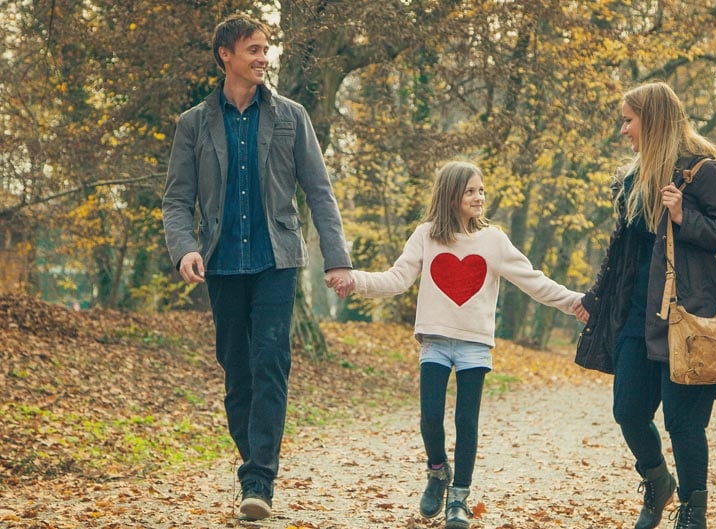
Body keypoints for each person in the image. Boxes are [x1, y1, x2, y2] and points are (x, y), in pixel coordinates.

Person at [161, 14, 353, 521]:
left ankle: (259, 479)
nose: (263, 58)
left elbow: (319, 191)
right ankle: (254, 460)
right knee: (237, 369)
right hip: (221, 263)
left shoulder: (292, 117)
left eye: (266, 49)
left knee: (271, 359)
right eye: (254, 49)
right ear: (226, 54)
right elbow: (177, 201)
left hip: (276, 259)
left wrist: (338, 260)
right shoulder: (194, 123)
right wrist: (185, 249)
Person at [333, 161, 582, 529]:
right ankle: (437, 471)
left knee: (467, 421)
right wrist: (354, 280)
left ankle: (459, 498)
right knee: (430, 416)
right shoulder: (427, 235)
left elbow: (533, 281)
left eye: (481, 190)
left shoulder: (493, 240)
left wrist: (575, 302)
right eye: (470, 191)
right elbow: (396, 279)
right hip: (435, 340)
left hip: (473, 345)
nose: (479, 197)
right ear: (451, 196)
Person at [573, 82, 716, 529]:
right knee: (628, 410)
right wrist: (596, 297)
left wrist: (684, 217)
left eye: (629, 120)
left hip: (685, 320)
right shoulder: (634, 177)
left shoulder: (703, 172)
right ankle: (656, 482)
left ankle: (693, 511)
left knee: (684, 424)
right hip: (637, 319)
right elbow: (621, 250)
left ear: (653, 121)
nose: (624, 130)